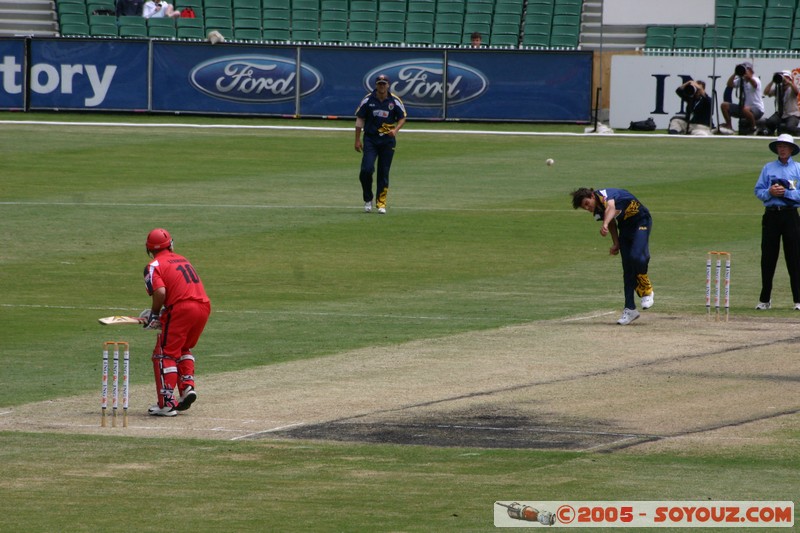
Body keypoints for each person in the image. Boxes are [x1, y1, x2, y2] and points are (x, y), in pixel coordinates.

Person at [142, 228, 211, 416]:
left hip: (182, 308)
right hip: (203, 306)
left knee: (165, 354)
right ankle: (187, 387)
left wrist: (155, 314)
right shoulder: (182, 259)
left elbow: (161, 292)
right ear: (170, 244)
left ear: (149, 249)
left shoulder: (153, 265)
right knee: (183, 348)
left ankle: (166, 404)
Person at [571, 187, 654, 325]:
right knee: (627, 269)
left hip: (641, 221)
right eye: (583, 207)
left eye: (587, 203)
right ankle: (630, 309)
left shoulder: (605, 195)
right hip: (625, 228)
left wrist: (604, 222)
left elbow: (611, 208)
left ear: (592, 196)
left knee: (637, 257)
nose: (587, 208)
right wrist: (616, 243)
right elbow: (612, 224)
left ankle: (646, 290)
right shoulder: (597, 210)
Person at [753, 134, 800, 310]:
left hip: (790, 216)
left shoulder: (797, 169)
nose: (782, 149)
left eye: (785, 146)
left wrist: (785, 193)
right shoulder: (768, 168)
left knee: (794, 257)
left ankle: (798, 300)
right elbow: (758, 190)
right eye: (780, 146)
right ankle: (765, 300)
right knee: (768, 258)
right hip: (772, 215)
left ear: (791, 150)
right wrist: (770, 193)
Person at [354, 74, 407, 214]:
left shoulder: (394, 101)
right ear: (376, 85)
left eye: (384, 84)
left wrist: (395, 130)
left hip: (387, 141)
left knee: (383, 172)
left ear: (388, 85)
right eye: (379, 83)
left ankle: (381, 203)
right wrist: (357, 140)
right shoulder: (368, 100)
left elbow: (402, 118)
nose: (382, 86)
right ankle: (368, 199)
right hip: (371, 139)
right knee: (366, 170)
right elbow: (360, 119)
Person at [720, 62, 764, 135]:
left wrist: (749, 78)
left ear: (750, 70)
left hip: (757, 109)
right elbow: (729, 84)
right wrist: (735, 73)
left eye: (746, 69)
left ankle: (753, 128)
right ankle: (729, 126)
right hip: (744, 108)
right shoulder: (741, 80)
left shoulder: (756, 79)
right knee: (724, 105)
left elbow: (755, 85)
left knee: (745, 109)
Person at [762, 70, 800, 137]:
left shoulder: (791, 88)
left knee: (790, 127)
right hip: (780, 114)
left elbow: (796, 91)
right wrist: (772, 81)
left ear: (790, 78)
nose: (784, 79)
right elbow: (766, 92)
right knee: (770, 122)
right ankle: (771, 134)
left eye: (786, 77)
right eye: (783, 77)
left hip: (792, 114)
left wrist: (789, 82)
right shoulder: (778, 88)